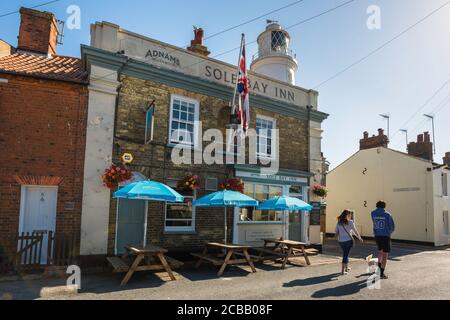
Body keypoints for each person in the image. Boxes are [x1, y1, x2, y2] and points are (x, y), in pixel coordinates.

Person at [371, 200, 395, 279]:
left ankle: (378, 270)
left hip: (377, 235)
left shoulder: (373, 213)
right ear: (384, 206)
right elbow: (392, 226)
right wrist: (388, 232)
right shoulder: (387, 214)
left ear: (376, 205)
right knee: (385, 255)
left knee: (380, 252)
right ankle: (381, 273)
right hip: (385, 236)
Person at [335, 210, 363, 275]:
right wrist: (360, 238)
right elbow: (355, 231)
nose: (351, 216)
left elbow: (336, 231)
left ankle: (346, 268)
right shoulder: (350, 222)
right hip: (348, 241)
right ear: (348, 215)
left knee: (346, 254)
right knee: (345, 255)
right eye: (350, 215)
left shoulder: (339, 222)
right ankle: (342, 271)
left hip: (341, 241)